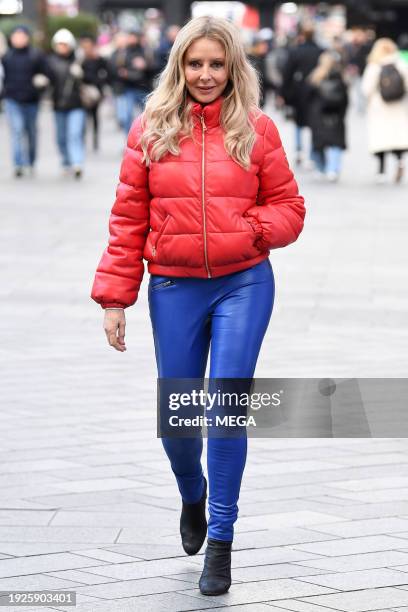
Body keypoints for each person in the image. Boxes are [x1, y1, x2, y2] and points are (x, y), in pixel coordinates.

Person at [91, 15, 305, 596]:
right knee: (180, 418)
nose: (206, 75)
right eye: (195, 63)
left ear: (233, 68)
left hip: (244, 282)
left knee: (226, 405)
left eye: (216, 64)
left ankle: (221, 539)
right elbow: (127, 219)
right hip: (173, 287)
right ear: (179, 66)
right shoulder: (150, 129)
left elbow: (290, 206)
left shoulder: (258, 129)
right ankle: (193, 492)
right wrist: (115, 297)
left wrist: (253, 227)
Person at [1, 25, 48, 177]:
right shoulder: (6, 56)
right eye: (16, 36)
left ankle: (31, 161)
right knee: (17, 130)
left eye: (22, 36)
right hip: (12, 99)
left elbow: (47, 74)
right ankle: (18, 163)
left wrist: (40, 86)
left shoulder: (36, 55)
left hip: (31, 100)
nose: (19, 39)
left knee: (31, 132)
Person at [362, 38, 408, 183]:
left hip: (379, 108)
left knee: (381, 140)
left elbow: (366, 89)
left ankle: (381, 171)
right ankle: (400, 161)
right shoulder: (401, 64)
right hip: (398, 106)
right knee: (397, 138)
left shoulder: (374, 66)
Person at [281, 23, 323, 166]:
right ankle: (312, 154)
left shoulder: (295, 51)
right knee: (314, 123)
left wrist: (283, 93)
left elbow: (287, 74)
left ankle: (299, 150)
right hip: (316, 92)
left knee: (298, 122)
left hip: (298, 92)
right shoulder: (320, 51)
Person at [47, 28, 86, 179]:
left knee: (74, 134)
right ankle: (65, 162)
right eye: (59, 44)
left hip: (77, 105)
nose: (62, 47)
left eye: (64, 44)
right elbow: (48, 81)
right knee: (61, 137)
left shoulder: (79, 60)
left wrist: (81, 75)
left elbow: (92, 79)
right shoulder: (50, 61)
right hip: (58, 105)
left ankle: (77, 163)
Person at [307, 51, 349, 182]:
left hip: (318, 116)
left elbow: (307, 98)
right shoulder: (340, 78)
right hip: (335, 116)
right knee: (335, 144)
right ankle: (333, 169)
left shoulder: (314, 77)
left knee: (318, 144)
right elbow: (345, 100)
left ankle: (321, 168)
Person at [79, 34, 108, 151]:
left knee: (95, 116)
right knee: (84, 117)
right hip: (84, 92)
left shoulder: (99, 59)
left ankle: (95, 139)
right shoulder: (81, 60)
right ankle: (83, 139)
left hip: (96, 92)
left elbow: (106, 73)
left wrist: (101, 86)